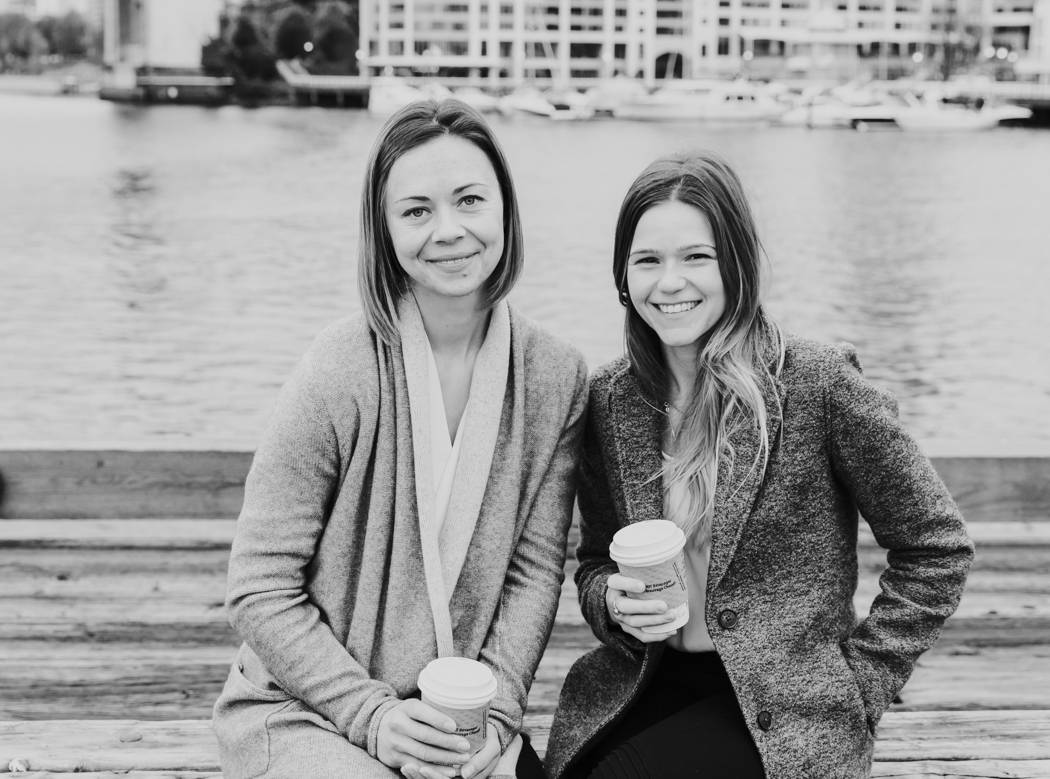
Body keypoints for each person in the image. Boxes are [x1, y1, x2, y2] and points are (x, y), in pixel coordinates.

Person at [544, 152, 974, 779]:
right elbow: (595, 562)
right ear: (623, 278)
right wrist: (610, 601)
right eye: (647, 260)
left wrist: (862, 684)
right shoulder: (608, 400)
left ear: (738, 265)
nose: (670, 283)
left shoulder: (818, 384)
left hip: (790, 704)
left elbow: (937, 547)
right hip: (646, 679)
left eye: (697, 257)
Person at [212, 99, 588, 779]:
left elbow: (534, 573)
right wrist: (373, 716)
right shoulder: (338, 370)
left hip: (458, 714)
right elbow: (259, 585)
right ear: (383, 231)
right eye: (416, 211)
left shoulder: (554, 376)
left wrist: (498, 713)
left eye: (470, 200)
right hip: (312, 705)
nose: (449, 230)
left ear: (505, 208)